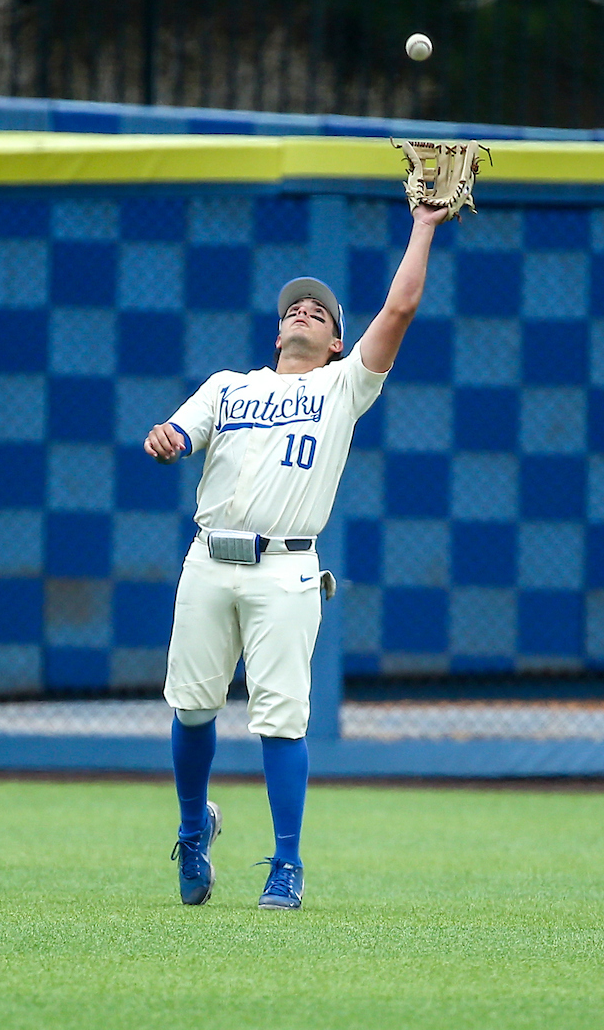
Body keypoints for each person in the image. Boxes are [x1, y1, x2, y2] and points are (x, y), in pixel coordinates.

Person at [144, 202, 447, 910]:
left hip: (287, 567)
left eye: (320, 310)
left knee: (281, 718)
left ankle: (286, 865)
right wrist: (167, 437)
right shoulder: (229, 385)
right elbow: (179, 432)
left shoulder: (341, 387)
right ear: (278, 330)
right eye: (295, 306)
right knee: (191, 709)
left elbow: (400, 307)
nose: (305, 309)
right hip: (209, 561)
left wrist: (424, 224)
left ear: (339, 342)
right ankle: (195, 830)